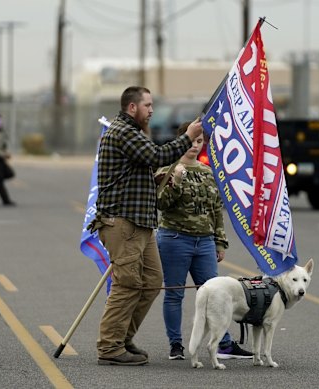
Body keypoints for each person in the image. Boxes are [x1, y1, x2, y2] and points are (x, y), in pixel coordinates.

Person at [89, 86, 203, 366]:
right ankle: (110, 347)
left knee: (151, 282)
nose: (152, 110)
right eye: (148, 105)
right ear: (132, 108)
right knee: (127, 284)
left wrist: (155, 181)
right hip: (122, 222)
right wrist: (188, 138)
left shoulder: (133, 133)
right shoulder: (123, 132)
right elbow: (155, 156)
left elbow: (138, 171)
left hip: (140, 223)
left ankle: (123, 338)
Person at [155, 122, 253, 361]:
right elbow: (161, 204)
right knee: (175, 293)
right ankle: (176, 345)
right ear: (182, 140)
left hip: (205, 242)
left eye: (199, 142)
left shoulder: (208, 173)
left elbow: (216, 210)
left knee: (214, 293)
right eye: (191, 141)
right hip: (175, 239)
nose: (194, 146)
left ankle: (224, 344)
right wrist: (176, 181)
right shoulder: (166, 169)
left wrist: (220, 241)